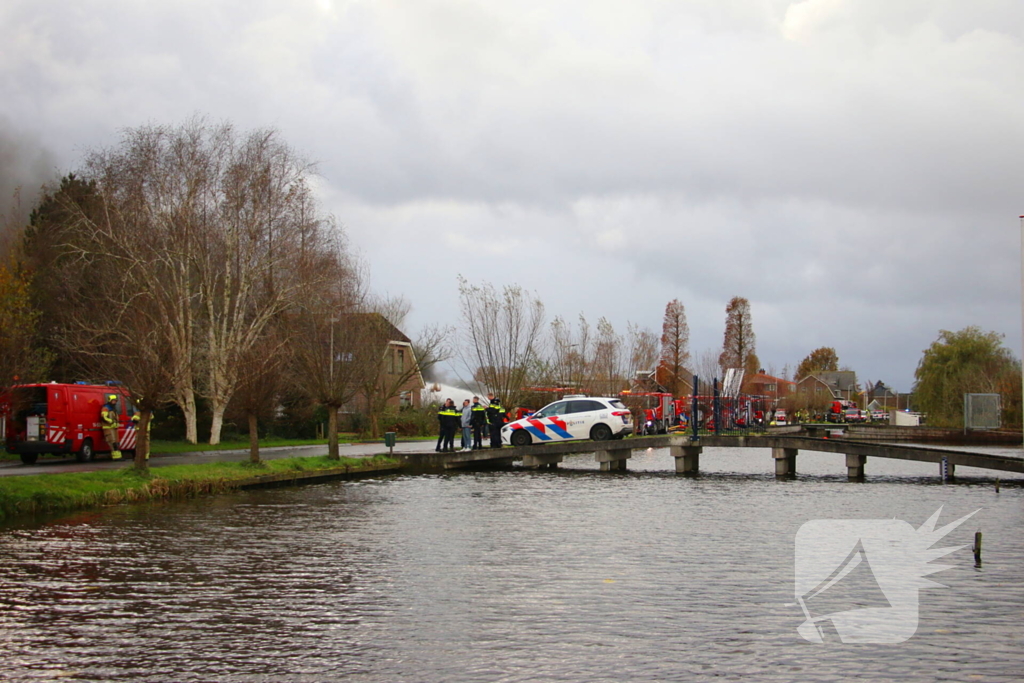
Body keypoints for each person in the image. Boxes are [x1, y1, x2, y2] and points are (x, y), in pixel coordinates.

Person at [100, 394, 122, 460]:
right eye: (113, 401)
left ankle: (118, 456)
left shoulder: (113, 408)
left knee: (116, 442)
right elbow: (103, 417)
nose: (114, 402)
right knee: (112, 442)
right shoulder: (106, 408)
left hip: (113, 428)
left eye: (115, 401)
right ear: (110, 401)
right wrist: (111, 421)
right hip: (108, 428)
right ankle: (115, 457)